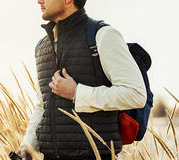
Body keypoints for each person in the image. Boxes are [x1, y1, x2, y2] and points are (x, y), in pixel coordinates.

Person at [16, 0, 147, 159]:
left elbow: (136, 94)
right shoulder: (42, 47)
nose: (39, 1)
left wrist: (77, 93)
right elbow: (42, 106)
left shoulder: (102, 35)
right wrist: (28, 146)